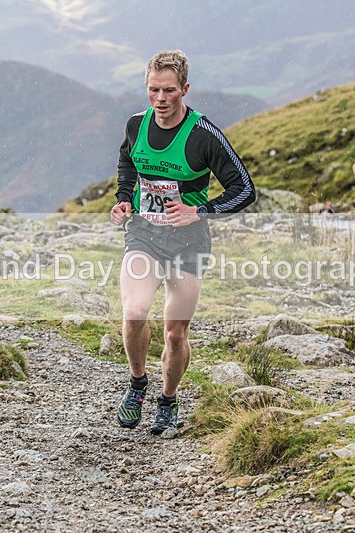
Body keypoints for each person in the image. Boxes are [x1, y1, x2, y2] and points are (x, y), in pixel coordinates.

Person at [110, 50, 256, 435]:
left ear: (185, 89)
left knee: (175, 334)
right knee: (135, 311)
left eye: (169, 91)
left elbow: (245, 190)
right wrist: (124, 197)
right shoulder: (135, 125)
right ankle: (138, 383)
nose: (160, 99)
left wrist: (201, 210)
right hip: (144, 232)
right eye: (154, 90)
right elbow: (128, 162)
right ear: (147, 88)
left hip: (189, 240)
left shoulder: (203, 135)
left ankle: (168, 400)